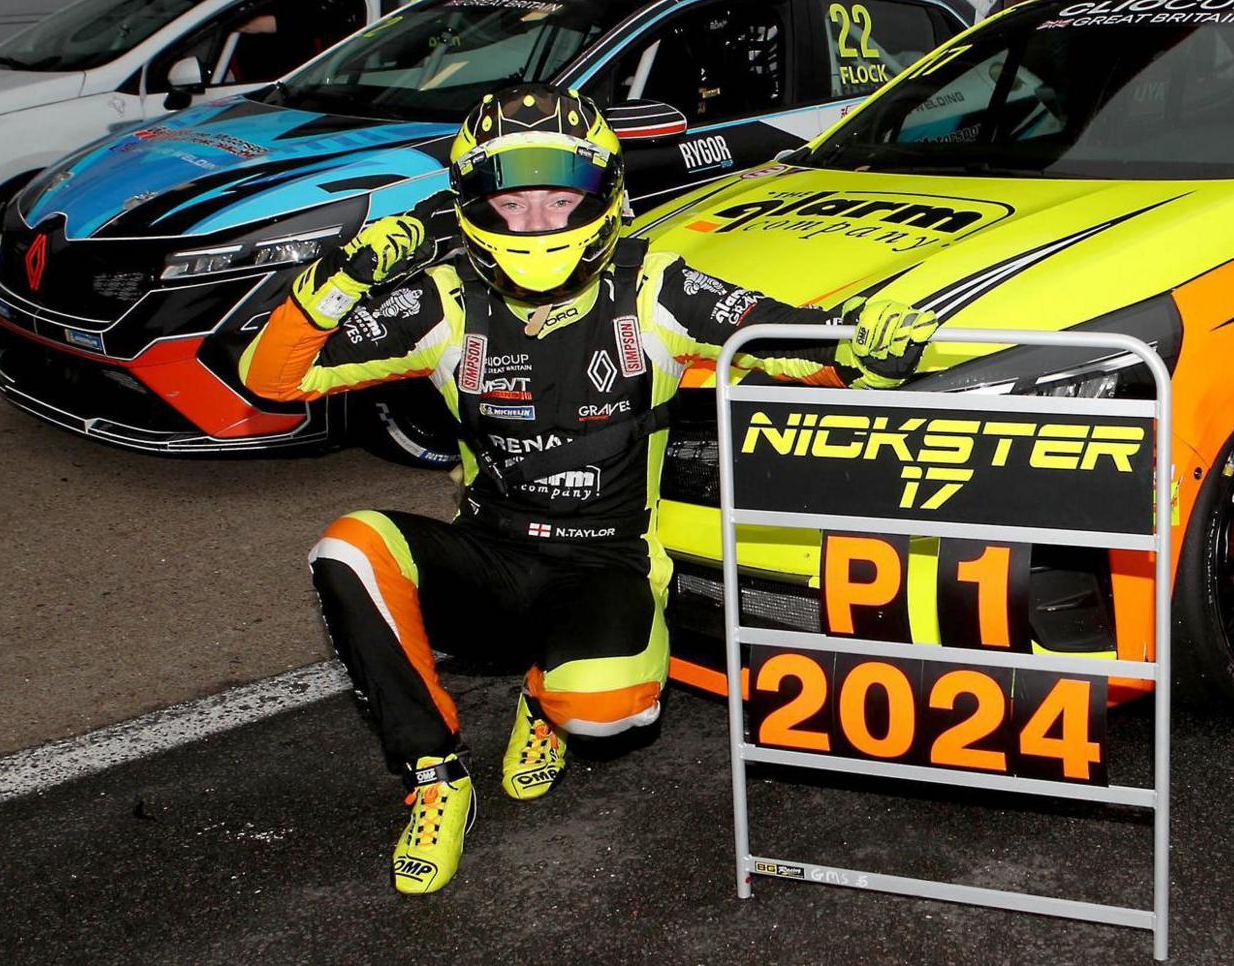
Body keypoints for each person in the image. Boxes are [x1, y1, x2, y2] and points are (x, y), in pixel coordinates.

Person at [238, 83, 935, 894]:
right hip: (491, 553)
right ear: (472, 204)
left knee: (610, 712)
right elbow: (270, 379)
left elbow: (794, 343)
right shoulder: (442, 298)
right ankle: (435, 778)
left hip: (610, 561)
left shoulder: (656, 288)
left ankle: (547, 696)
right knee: (347, 546)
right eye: (514, 201)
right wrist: (342, 273)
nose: (538, 223)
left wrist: (864, 348)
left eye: (561, 197)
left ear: (604, 197)